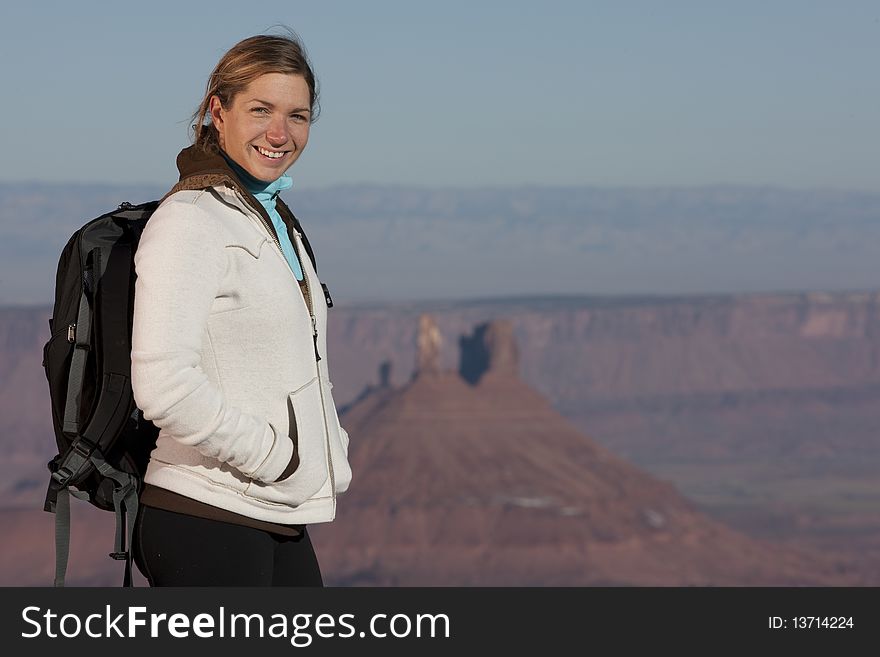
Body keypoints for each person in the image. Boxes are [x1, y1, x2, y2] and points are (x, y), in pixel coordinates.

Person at [130, 32, 352, 586]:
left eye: (297, 115)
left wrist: (329, 450)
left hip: (278, 512)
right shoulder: (191, 222)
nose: (280, 133)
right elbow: (163, 383)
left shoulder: (273, 221)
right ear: (218, 111)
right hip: (206, 515)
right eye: (260, 110)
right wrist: (276, 457)